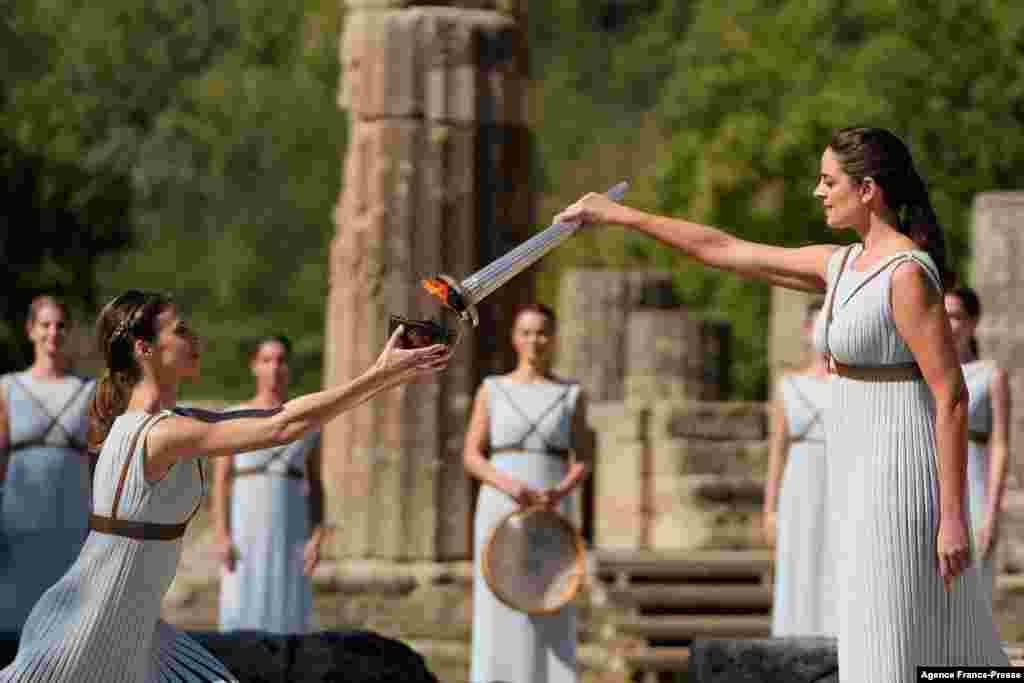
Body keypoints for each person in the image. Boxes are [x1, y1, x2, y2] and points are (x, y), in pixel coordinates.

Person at [556, 127, 1008, 680]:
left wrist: (953, 516)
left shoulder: (908, 274)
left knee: (893, 633)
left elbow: (952, 395)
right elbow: (723, 248)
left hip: (901, 472)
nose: (818, 191)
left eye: (828, 180)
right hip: (857, 467)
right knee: (878, 632)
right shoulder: (839, 265)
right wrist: (623, 216)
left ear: (867, 189)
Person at [0, 290, 449, 682]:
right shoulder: (156, 435)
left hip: (134, 633)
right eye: (181, 330)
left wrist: (385, 374)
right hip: (87, 629)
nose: (196, 339)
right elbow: (282, 428)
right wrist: (378, 375)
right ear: (145, 348)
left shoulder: (177, 423)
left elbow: (283, 415)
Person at [463, 303, 590, 683]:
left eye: (542, 333)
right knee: (500, 601)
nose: (535, 341)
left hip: (551, 506)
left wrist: (560, 490)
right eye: (527, 333)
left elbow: (582, 460)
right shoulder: (492, 390)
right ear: (515, 339)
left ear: (553, 338)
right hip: (501, 503)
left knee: (550, 594)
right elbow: (471, 455)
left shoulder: (571, 394)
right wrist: (507, 483)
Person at [213, 335, 324, 634]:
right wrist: (221, 534)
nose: (274, 368)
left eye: (281, 361)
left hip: (291, 532)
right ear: (254, 367)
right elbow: (221, 481)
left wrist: (317, 535)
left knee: (288, 616)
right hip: (245, 531)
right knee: (240, 611)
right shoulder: (233, 417)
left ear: (289, 368)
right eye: (266, 360)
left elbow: (315, 485)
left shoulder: (306, 421)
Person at [0, 296, 96, 632]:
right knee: (14, 619)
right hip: (18, 519)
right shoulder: (8, 388)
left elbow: (95, 463)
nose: (52, 332)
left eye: (60, 325)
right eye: (45, 324)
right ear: (30, 330)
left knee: (64, 625)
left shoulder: (88, 391)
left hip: (69, 522)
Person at [763, 298, 832, 636]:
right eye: (817, 325)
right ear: (806, 331)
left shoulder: (858, 383)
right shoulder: (788, 385)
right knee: (799, 560)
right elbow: (777, 451)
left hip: (842, 479)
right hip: (801, 481)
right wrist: (769, 510)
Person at [944, 286, 1011, 600]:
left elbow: (999, 445)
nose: (948, 323)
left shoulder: (991, 375)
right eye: (942, 315)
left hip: (973, 483)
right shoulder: (926, 373)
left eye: (955, 316)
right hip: (934, 481)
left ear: (972, 323)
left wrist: (991, 512)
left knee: (972, 586)